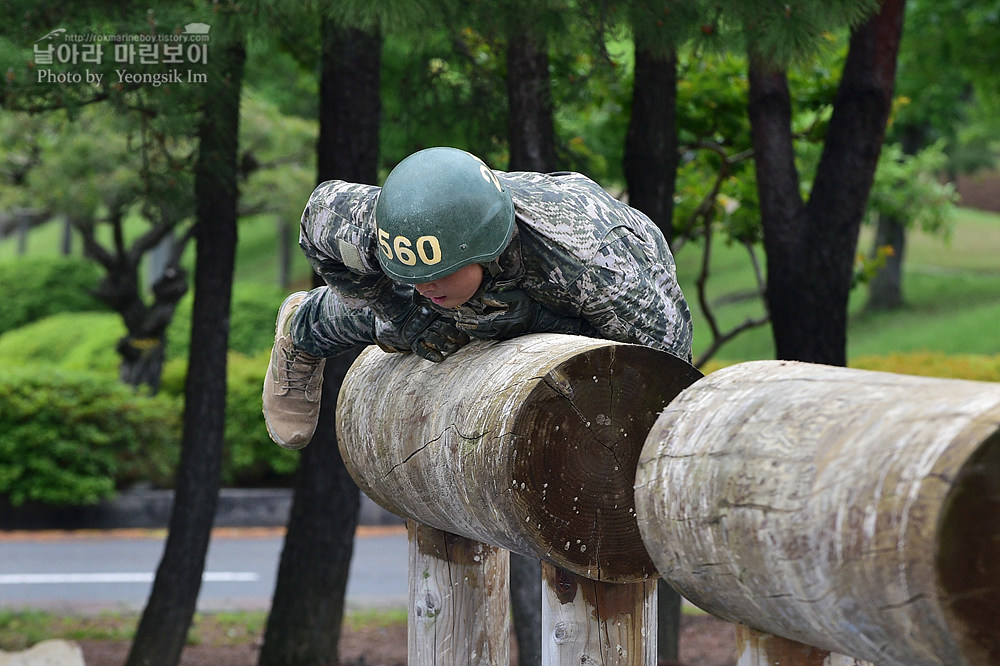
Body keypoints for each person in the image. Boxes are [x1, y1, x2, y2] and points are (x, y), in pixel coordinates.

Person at [263, 146, 693, 449]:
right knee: (398, 319)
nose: (423, 286)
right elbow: (316, 217)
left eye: (438, 274)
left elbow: (666, 366)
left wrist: (545, 323)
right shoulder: (388, 223)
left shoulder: (597, 262)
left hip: (578, 299)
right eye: (412, 275)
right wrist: (400, 313)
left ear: (486, 250)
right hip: (492, 275)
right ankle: (302, 329)